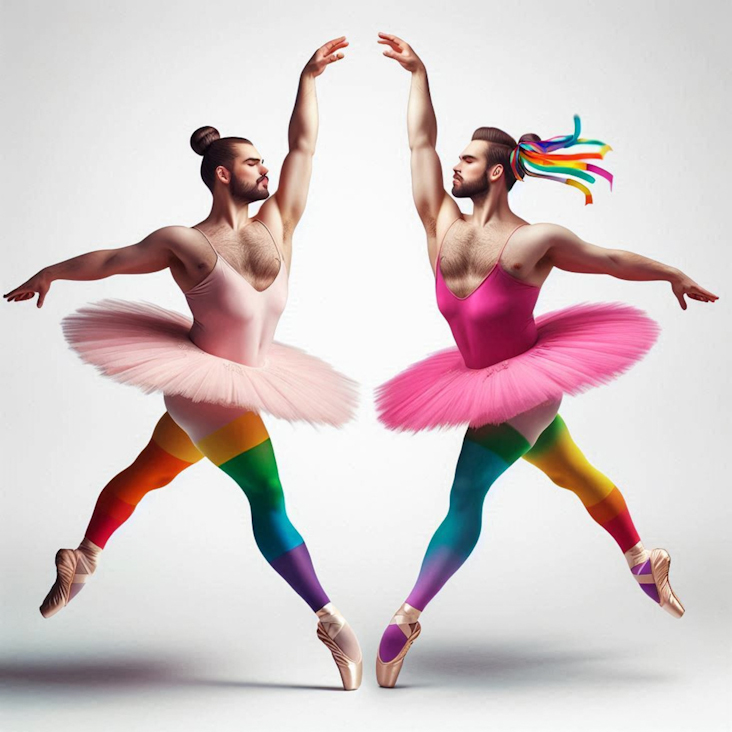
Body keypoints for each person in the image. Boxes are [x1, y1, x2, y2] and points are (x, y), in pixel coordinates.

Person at [3, 36, 363, 691]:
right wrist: (48, 272)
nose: (267, 171)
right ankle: (330, 619)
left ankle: (83, 556)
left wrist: (309, 79)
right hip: (207, 390)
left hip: (234, 382)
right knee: (269, 498)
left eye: (264, 162)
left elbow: (303, 148)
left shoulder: (280, 224)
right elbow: (111, 260)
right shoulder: (186, 244)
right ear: (224, 174)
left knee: (150, 471)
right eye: (253, 164)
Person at [373, 32, 719, 688]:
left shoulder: (535, 240)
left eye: (469, 160)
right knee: (568, 466)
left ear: (498, 171)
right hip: (482, 382)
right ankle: (643, 557)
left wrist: (672, 272)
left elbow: (611, 261)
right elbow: (420, 145)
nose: (454, 167)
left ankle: (407, 616)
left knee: (465, 494)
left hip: (527, 384)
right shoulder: (441, 224)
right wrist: (418, 76)